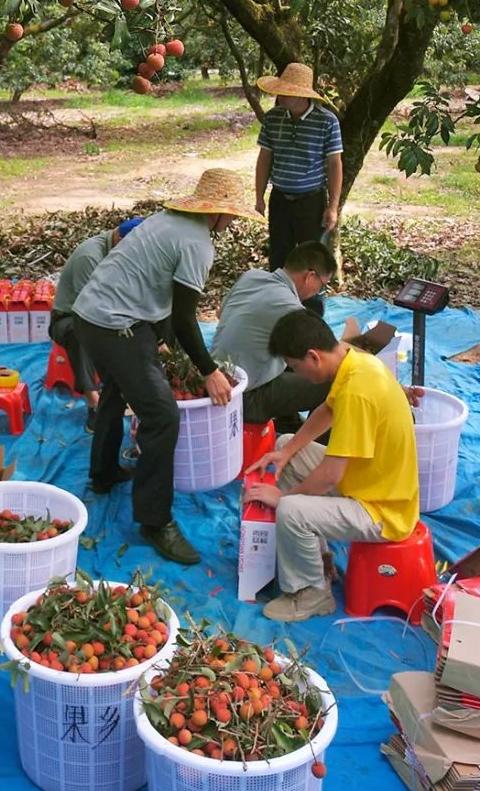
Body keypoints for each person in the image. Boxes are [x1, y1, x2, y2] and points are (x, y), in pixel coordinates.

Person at [73, 168, 258, 566]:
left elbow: (161, 298)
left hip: (90, 315)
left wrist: (162, 344)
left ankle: (103, 474)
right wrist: (208, 369)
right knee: (161, 414)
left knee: (118, 389)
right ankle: (155, 519)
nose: (233, 223)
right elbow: (185, 318)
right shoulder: (198, 243)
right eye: (234, 216)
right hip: (113, 323)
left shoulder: (166, 220)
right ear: (221, 213)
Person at [245, 308, 419, 622]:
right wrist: (286, 453)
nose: (298, 375)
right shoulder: (354, 361)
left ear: (313, 357)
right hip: (366, 483)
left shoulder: (358, 391)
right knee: (286, 445)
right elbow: (327, 410)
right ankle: (319, 560)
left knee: (292, 510)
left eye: (296, 367)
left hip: (382, 511)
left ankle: (312, 594)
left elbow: (329, 476)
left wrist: (284, 498)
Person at [212, 240, 338, 436]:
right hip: (245, 397)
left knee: (289, 358)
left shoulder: (251, 276)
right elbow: (327, 352)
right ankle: (313, 448)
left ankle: (288, 422)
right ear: (310, 276)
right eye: (322, 286)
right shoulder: (289, 306)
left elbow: (221, 313)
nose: (318, 292)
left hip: (217, 379)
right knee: (333, 382)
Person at [50, 216, 146, 428]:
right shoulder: (90, 256)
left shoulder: (121, 251)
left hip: (106, 310)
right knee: (82, 333)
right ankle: (94, 402)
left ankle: (131, 388)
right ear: (120, 240)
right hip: (70, 316)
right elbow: (90, 308)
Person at [254, 62, 343, 270]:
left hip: (311, 202)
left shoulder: (327, 122)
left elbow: (335, 165)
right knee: (279, 258)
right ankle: (281, 301)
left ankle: (310, 303)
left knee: (311, 262)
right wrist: (259, 197)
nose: (281, 96)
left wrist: (332, 207)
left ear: (302, 95)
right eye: (280, 91)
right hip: (280, 199)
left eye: (286, 92)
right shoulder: (273, 118)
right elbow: (264, 158)